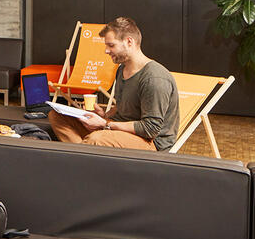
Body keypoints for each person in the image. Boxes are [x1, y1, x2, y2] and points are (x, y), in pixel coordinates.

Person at [48, 16, 180, 151]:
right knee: (57, 116)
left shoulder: (154, 78)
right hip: (118, 128)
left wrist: (105, 125)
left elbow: (150, 129)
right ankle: (84, 153)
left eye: (111, 45)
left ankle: (83, 154)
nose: (106, 50)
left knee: (96, 140)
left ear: (129, 42)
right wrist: (104, 116)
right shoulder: (122, 69)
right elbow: (124, 105)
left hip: (150, 141)